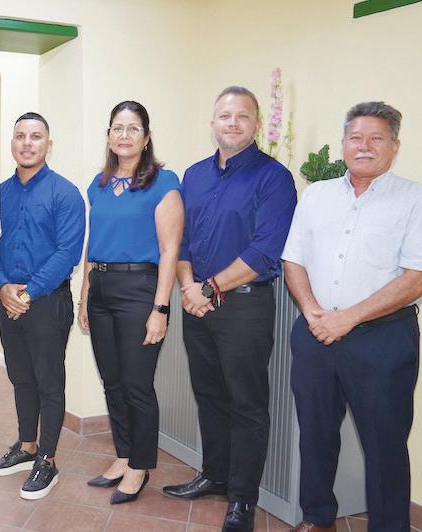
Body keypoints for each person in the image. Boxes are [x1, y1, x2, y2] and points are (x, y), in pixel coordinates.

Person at [283, 102, 422, 532]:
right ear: (343, 143)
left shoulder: (419, 200)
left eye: (377, 138)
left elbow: (418, 279)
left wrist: (349, 318)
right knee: (316, 435)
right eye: (356, 137)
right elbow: (293, 260)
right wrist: (313, 312)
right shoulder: (316, 196)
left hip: (382, 341)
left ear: (395, 146)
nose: (364, 146)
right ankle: (317, 517)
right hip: (315, 333)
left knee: (385, 444)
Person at [162, 86, 296, 532]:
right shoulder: (194, 175)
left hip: (244, 306)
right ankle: (215, 475)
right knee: (209, 395)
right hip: (197, 304)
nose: (232, 123)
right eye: (225, 115)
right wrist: (188, 288)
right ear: (213, 122)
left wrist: (208, 289)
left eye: (242, 116)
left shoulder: (274, 177)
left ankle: (242, 500)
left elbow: (265, 250)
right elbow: (182, 240)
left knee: (246, 404)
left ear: (256, 124)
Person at [75, 101, 183, 504]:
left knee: (137, 385)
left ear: (146, 137)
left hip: (140, 289)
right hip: (101, 287)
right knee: (113, 381)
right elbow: (93, 242)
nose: (124, 135)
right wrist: (85, 296)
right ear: (108, 136)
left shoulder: (164, 182)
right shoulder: (99, 184)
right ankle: (123, 455)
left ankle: (140, 464)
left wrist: (160, 309)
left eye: (133, 128)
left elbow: (170, 250)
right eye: (117, 128)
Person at [0, 112, 84, 500]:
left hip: (47, 302)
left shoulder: (65, 193)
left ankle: (47, 459)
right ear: (12, 143)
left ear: (48, 144)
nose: (27, 143)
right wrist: (2, 286)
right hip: (8, 299)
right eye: (20, 136)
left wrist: (27, 294)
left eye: (36, 136)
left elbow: (67, 253)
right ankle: (26, 446)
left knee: (49, 382)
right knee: (21, 377)